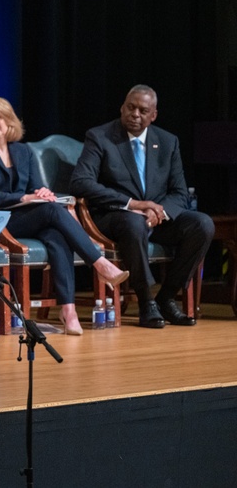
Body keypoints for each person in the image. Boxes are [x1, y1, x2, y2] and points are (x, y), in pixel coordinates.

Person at [0, 97, 130, 335]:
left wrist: (41, 192)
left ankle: (68, 310)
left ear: (8, 120)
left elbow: (36, 186)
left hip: (25, 218)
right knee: (53, 211)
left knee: (56, 236)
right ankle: (100, 264)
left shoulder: (23, 151)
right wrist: (25, 198)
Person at [70, 85, 214, 328]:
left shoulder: (168, 142)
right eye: (131, 107)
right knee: (133, 221)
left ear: (153, 115)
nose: (135, 114)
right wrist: (133, 204)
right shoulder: (100, 137)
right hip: (114, 218)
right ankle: (146, 301)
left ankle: (166, 297)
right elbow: (80, 183)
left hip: (155, 219)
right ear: (122, 108)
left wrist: (158, 211)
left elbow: (180, 193)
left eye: (143, 110)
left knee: (202, 224)